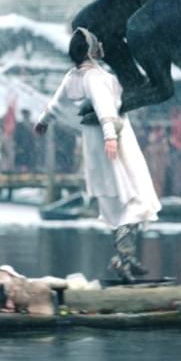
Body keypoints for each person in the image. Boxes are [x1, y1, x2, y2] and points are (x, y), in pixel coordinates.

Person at [35, 27, 161, 281]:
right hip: (114, 139)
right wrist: (111, 136)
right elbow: (105, 107)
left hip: (94, 141)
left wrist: (43, 121)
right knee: (135, 196)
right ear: (91, 50)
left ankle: (125, 258)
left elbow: (55, 104)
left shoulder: (73, 77)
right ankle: (123, 258)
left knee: (116, 201)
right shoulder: (94, 77)